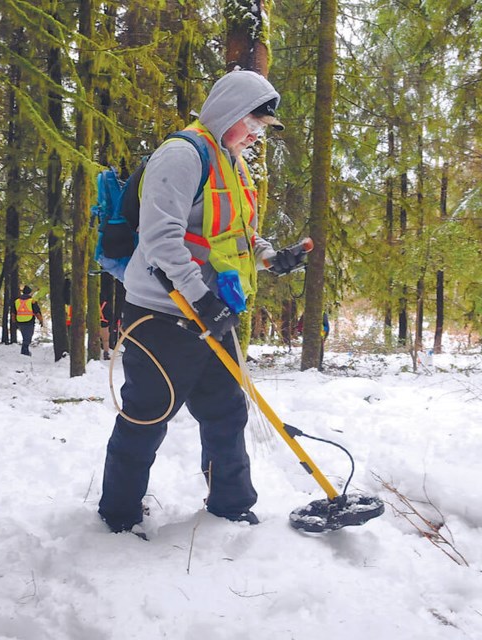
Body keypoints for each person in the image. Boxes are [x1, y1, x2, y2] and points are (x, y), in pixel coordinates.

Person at [97, 69, 308, 538]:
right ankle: (118, 513)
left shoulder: (231, 161)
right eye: (251, 122)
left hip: (211, 312)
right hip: (163, 313)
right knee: (147, 416)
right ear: (228, 110)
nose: (255, 134)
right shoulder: (181, 156)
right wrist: (200, 298)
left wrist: (272, 256)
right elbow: (160, 239)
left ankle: (230, 505)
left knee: (226, 412)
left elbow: (231, 233)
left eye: (262, 128)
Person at [13, 285, 44, 356]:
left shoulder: (17, 301)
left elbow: (13, 312)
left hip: (20, 321)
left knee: (25, 336)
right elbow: (37, 312)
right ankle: (24, 351)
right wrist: (41, 320)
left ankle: (25, 351)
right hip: (29, 322)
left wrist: (14, 321)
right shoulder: (32, 301)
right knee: (28, 337)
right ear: (30, 293)